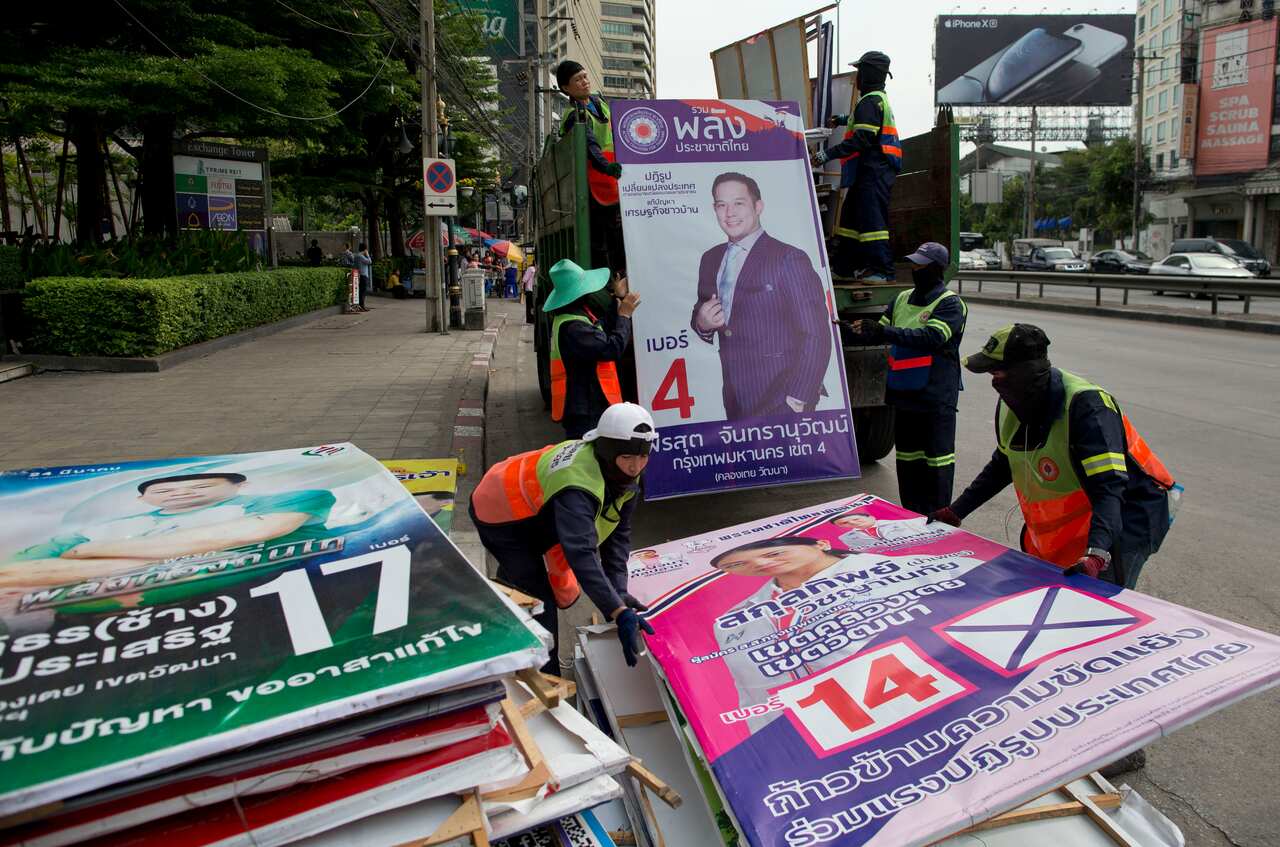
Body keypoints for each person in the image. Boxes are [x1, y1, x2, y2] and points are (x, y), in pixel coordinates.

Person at [931, 324, 1175, 588]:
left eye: (998, 373)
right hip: (1081, 519)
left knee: (1099, 596)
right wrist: (957, 511)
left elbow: (1109, 490)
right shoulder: (1015, 403)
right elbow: (1003, 465)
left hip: (1129, 512)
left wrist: (1097, 554)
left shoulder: (1088, 409)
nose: (994, 382)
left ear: (1025, 374)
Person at [711, 536, 980, 729]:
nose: (761, 564)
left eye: (774, 553)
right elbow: (751, 693)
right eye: (736, 565)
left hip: (923, 703)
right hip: (819, 734)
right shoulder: (732, 621)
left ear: (821, 544)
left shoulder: (912, 569)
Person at [470, 403, 658, 672]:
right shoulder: (576, 486)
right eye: (628, 457)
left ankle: (507, 594)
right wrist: (618, 612)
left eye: (643, 457)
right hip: (501, 515)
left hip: (536, 509)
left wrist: (618, 593)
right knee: (539, 600)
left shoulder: (623, 472)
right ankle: (546, 675)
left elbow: (618, 536)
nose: (636, 466)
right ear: (608, 450)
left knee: (524, 583)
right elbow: (581, 554)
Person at [2, 472, 336, 612]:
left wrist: (85, 555)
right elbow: (13, 574)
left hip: (256, 602)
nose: (182, 491)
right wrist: (174, 557)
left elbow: (247, 535)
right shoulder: (107, 527)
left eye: (201, 485)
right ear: (142, 499)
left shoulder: (296, 498)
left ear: (239, 486)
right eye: (163, 490)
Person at [690, 171, 832, 420]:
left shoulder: (788, 258)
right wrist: (702, 323)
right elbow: (702, 311)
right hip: (734, 399)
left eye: (738, 203)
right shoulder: (710, 259)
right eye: (721, 205)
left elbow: (816, 334)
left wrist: (797, 400)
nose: (729, 213)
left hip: (782, 402)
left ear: (758, 206)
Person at [846, 242, 967, 515]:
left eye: (921, 265)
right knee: (907, 459)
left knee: (937, 459)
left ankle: (939, 517)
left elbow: (932, 337)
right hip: (903, 393)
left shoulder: (950, 303)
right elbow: (882, 330)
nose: (914, 269)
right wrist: (860, 330)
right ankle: (912, 514)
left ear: (937, 269)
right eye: (913, 263)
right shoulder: (901, 298)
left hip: (935, 395)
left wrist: (884, 332)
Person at [812, 51, 902, 281]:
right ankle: (844, 267)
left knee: (873, 223)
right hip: (869, 172)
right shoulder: (872, 101)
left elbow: (862, 139)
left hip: (874, 172)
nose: (857, 77)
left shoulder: (871, 102)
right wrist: (842, 119)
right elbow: (860, 122)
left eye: (859, 72)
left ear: (868, 74)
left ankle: (884, 271)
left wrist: (825, 155)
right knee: (849, 221)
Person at [544, 259, 640, 439]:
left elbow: (601, 329)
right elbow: (612, 347)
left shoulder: (574, 318)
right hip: (586, 411)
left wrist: (618, 298)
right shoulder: (574, 328)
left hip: (587, 405)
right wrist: (625, 316)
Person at [557, 60, 626, 276]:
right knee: (602, 239)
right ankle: (607, 282)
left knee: (620, 235)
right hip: (591, 185)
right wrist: (607, 167)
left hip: (613, 180)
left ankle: (622, 275)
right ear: (566, 88)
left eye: (585, 76)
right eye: (578, 79)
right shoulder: (573, 116)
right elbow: (590, 146)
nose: (584, 82)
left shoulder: (599, 102)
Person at [827, 508, 956, 553]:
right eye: (844, 523)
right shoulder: (846, 538)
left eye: (855, 519)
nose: (852, 523)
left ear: (870, 517)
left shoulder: (907, 522)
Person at [354, 242, 373, 311]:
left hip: (359, 274)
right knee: (362, 291)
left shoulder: (356, 256)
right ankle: (361, 306)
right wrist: (367, 255)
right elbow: (369, 262)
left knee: (361, 291)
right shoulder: (360, 256)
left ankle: (361, 305)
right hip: (363, 275)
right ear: (365, 249)